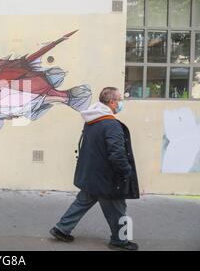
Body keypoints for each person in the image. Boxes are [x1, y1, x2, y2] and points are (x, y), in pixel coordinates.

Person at [50, 87, 140, 251]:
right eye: (120, 99)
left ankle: (61, 229)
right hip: (107, 179)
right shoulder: (111, 125)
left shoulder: (92, 120)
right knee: (118, 209)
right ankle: (120, 241)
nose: (121, 103)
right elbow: (117, 154)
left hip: (92, 175)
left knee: (81, 203)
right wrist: (127, 172)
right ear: (112, 102)